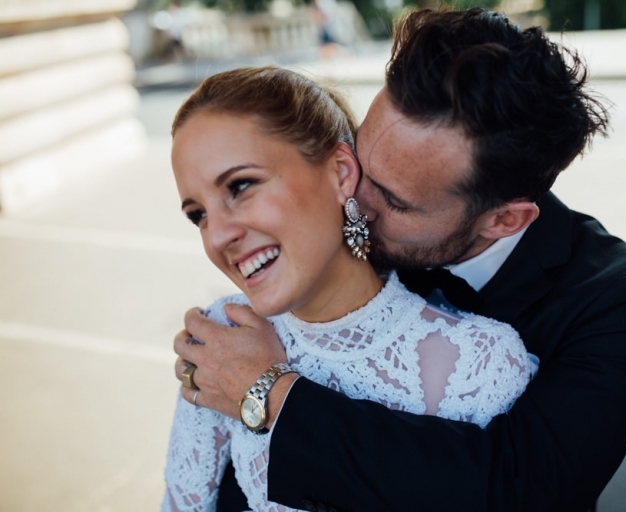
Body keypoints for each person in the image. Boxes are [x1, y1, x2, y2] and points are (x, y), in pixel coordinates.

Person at [174, 7, 626, 512]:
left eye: (394, 201)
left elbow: (524, 491)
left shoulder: (623, 301)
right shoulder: (311, 255)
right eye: (357, 160)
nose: (352, 199)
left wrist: (269, 393)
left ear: (503, 221)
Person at [162, 66, 534, 511]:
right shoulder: (223, 333)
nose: (217, 235)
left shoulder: (482, 363)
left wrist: (267, 390)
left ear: (340, 172)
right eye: (197, 214)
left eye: (241, 186)